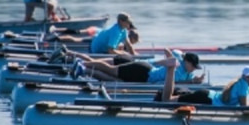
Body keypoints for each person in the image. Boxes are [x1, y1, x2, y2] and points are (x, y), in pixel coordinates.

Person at [159, 64, 249, 108]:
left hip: (206, 95)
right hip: (206, 98)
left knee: (171, 99)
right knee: (167, 100)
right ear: (244, 76)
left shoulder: (240, 82)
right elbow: (244, 107)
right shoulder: (243, 86)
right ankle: (171, 68)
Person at [74, 48, 204, 84]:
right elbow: (168, 50)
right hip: (144, 70)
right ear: (186, 62)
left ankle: (85, 70)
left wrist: (195, 80)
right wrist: (192, 82)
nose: (193, 69)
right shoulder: (178, 68)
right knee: (111, 70)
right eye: (193, 65)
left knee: (116, 80)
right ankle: (83, 63)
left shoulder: (188, 72)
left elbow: (176, 52)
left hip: (144, 76)